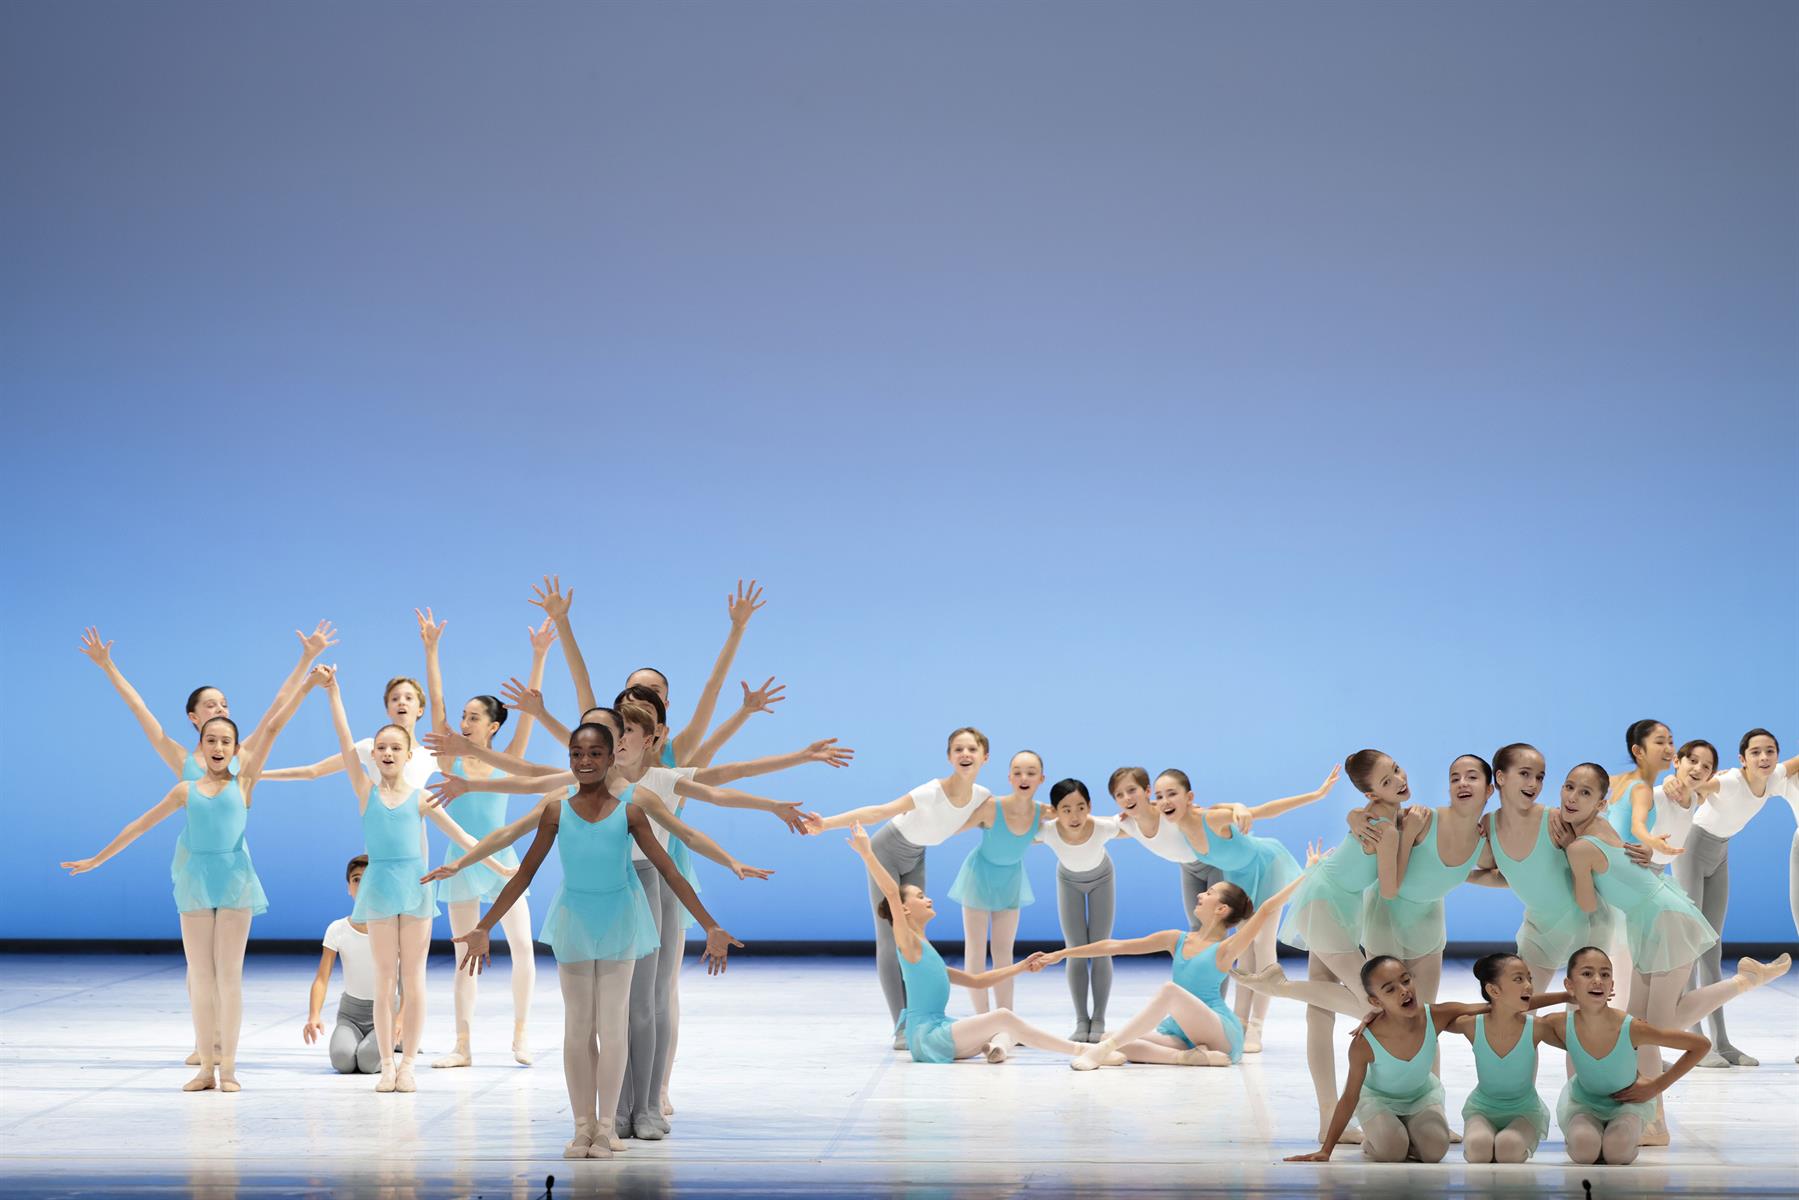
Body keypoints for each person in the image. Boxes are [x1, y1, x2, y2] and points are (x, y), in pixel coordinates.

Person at [442, 722, 742, 1159]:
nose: (585, 761)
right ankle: (581, 1126)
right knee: (578, 1026)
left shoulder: (631, 813)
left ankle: (606, 1128)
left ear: (611, 756)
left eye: (595, 753)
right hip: (575, 921)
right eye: (577, 754)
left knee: (612, 1024)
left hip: (620, 920)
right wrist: (485, 926)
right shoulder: (555, 812)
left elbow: (670, 871)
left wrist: (710, 924)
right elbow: (524, 873)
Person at [61, 664, 324, 1092]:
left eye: (226, 741)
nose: (218, 747)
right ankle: (206, 1066)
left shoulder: (246, 781)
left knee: (229, 977)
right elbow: (140, 825)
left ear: (236, 749)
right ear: (200, 741)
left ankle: (229, 1068)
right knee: (201, 977)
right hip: (195, 879)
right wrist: (98, 859)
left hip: (235, 879)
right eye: (211, 740)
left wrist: (308, 683)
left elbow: (275, 723)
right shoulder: (185, 789)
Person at [321, 667, 490, 1094]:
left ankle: (409, 1063)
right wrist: (333, 691)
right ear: (374, 754)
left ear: (408, 754)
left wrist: (502, 866)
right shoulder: (366, 792)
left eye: (396, 747)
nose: (387, 753)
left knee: (413, 980)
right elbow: (344, 739)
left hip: (415, 889)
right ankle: (387, 1067)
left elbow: (463, 836)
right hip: (379, 888)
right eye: (381, 748)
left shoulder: (420, 798)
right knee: (384, 980)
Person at [417, 608, 555, 1070]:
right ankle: (463, 1045)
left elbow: (529, 712)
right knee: (464, 955)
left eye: (474, 717)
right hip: (460, 859)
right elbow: (437, 702)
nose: (464, 722)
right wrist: (431, 649)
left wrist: (539, 656)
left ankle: (521, 1036)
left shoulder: (508, 758)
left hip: (503, 859)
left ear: (493, 726)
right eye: (464, 716)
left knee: (522, 948)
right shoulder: (449, 760)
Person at [847, 822, 1102, 1067]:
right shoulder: (908, 942)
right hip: (928, 1036)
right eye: (921, 897)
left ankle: (995, 1048)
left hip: (938, 1032)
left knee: (1002, 1027)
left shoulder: (925, 950)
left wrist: (1021, 966)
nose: (929, 899)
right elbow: (891, 892)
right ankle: (1082, 1050)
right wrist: (868, 854)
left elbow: (977, 981)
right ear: (903, 909)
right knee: (1003, 1016)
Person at [802, 728, 991, 1047]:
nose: (965, 754)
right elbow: (879, 811)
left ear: (985, 757)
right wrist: (827, 824)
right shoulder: (931, 791)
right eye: (958, 749)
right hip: (885, 851)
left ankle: (920, 1017)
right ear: (949, 757)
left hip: (916, 856)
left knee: (915, 937)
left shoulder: (982, 796)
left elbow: (1009, 814)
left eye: (972, 749)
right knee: (891, 936)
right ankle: (902, 1026)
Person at [1038, 873, 1305, 1069]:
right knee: (1114, 1037)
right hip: (1182, 1033)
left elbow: (1267, 909)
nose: (1201, 895)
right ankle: (1186, 1058)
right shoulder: (1176, 939)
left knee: (1169, 992)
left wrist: (1307, 875)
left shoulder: (1226, 948)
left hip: (1219, 1032)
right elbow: (1115, 946)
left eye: (1209, 893)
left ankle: (1101, 1051)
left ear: (1222, 909)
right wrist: (1062, 954)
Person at [1675, 728, 1798, 1067]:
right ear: (1742, 759)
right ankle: (1694, 1042)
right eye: (1755, 752)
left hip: (1720, 853)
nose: (1764, 757)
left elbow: (1794, 763)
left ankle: (1722, 1042)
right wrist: (1679, 782)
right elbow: (1701, 786)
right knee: (1691, 945)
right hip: (1691, 849)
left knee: (1712, 947)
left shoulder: (1774, 777)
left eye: (1770, 751)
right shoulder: (1729, 781)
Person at [1538, 947, 1708, 1165]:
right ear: (1569, 984)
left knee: (1617, 1153)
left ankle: (1614, 1140)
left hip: (1627, 1106)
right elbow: (1512, 1007)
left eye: (1605, 974)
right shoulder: (1560, 1025)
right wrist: (1566, 996)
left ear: (1612, 985)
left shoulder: (1631, 1027)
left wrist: (1656, 1086)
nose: (1597, 980)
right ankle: (1595, 1138)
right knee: (1583, 1151)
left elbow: (1701, 1045)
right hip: (1584, 1104)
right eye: (1587, 974)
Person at [947, 750, 1045, 1041]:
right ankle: (982, 1021)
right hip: (979, 876)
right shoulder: (992, 807)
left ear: (1041, 779)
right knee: (976, 948)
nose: (1024, 777)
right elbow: (954, 826)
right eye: (1018, 772)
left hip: (1011, 879)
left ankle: (1006, 1019)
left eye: (1031, 772)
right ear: (1009, 777)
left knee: (1004, 951)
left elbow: (1080, 820)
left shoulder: (1044, 812)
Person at [1034, 778, 1125, 1042]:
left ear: (1090, 806)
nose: (1075, 816)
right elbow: (1015, 830)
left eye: (1081, 808)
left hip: (1102, 879)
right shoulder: (1048, 831)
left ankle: (1099, 1018)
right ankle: (1081, 1020)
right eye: (1066, 809)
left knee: (1100, 947)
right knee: (1074, 949)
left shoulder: (1102, 827)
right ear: (1054, 811)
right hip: (1068, 882)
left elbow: (1136, 823)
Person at [303, 855, 408, 1073]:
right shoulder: (337, 929)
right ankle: (377, 1042)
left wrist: (400, 1019)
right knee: (343, 1061)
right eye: (356, 879)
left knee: (368, 1063)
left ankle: (397, 1039)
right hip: (351, 1015)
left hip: (387, 1011)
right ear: (348, 887)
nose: (362, 885)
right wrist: (314, 1015)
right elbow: (322, 978)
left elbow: (407, 982)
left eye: (369, 879)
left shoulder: (396, 928)